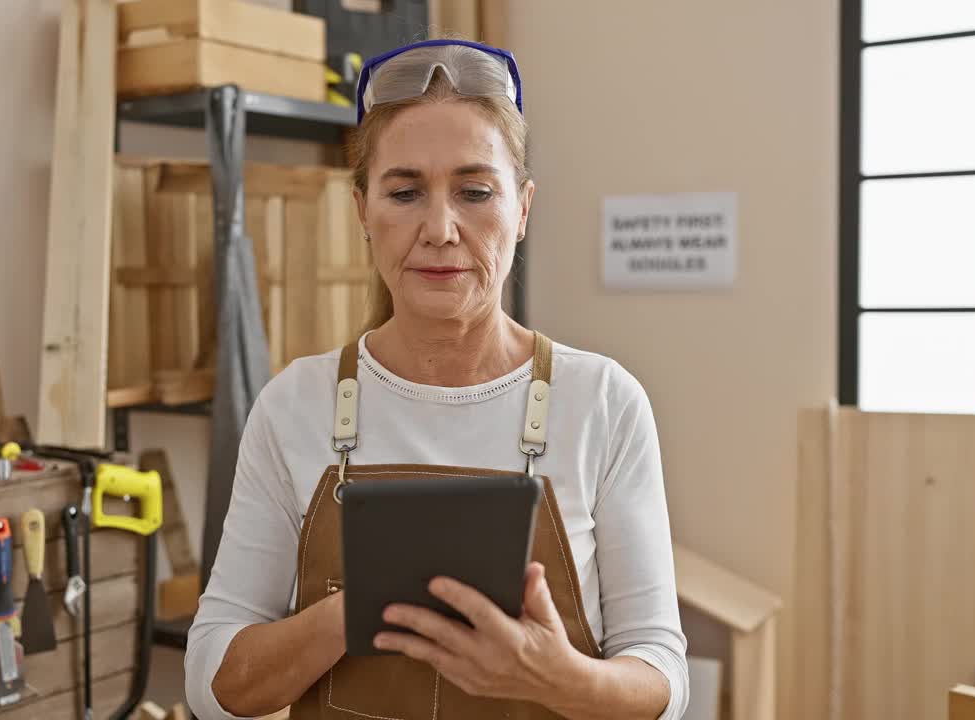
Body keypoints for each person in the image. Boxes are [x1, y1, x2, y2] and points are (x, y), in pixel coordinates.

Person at [185, 39, 688, 720]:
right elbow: (214, 686)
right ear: (363, 210)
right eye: (405, 192)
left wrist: (556, 677)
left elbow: (661, 678)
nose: (441, 229)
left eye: (476, 191)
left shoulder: (603, 402)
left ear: (523, 209)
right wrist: (359, 606)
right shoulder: (295, 405)